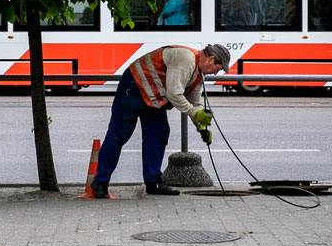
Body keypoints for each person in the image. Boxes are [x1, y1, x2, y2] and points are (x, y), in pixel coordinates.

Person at [91, 44, 230, 198]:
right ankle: (100, 182)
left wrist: (201, 126)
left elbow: (196, 104)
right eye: (218, 68)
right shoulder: (186, 59)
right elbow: (174, 94)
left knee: (158, 135)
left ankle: (153, 182)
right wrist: (195, 113)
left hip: (154, 98)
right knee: (119, 134)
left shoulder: (198, 74)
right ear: (211, 59)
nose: (217, 72)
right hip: (134, 87)